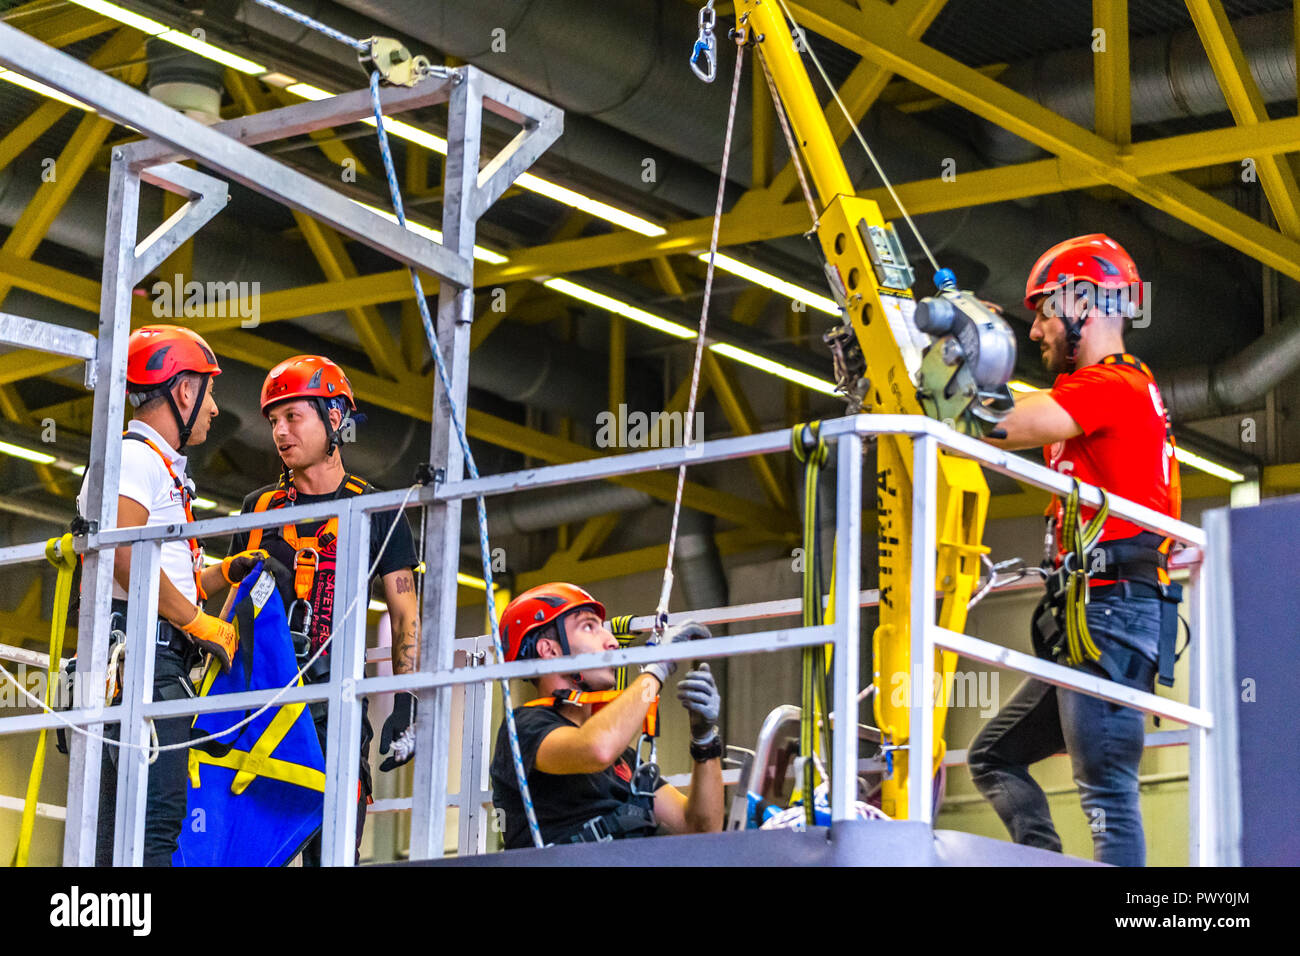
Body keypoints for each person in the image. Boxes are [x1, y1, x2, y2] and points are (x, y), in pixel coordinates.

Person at [968, 234, 1182, 866]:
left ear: (1083, 302)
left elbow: (1005, 424)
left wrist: (955, 370)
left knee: (1107, 794)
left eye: (1042, 311)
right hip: (1092, 618)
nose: (1035, 330)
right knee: (993, 756)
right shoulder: (1108, 390)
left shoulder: (1110, 386)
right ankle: (1044, 861)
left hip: (1111, 616)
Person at [80, 325, 264, 866]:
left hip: (142, 658)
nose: (212, 408)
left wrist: (220, 574)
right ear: (183, 392)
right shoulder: (135, 459)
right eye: (207, 392)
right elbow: (124, 551)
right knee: (155, 827)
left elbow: (155, 565)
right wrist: (196, 623)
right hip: (145, 663)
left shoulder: (149, 464)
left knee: (121, 830)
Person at [226, 354, 420, 865]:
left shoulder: (379, 511)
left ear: (335, 419)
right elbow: (227, 604)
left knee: (332, 855)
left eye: (294, 417)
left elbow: (404, 615)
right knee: (244, 849)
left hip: (336, 710)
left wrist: (405, 700)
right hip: (259, 704)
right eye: (273, 421)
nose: (280, 433)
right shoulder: (257, 509)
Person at [490, 583, 725, 848]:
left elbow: (702, 828)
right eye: (589, 627)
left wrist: (705, 741)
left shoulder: (621, 759)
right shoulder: (524, 728)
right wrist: (657, 670)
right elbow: (596, 748)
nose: (612, 641)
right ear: (550, 650)